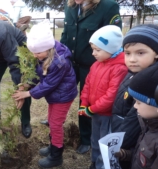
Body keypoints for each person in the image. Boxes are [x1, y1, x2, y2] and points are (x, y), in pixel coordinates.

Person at [12, 20, 77, 168]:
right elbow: (39, 75)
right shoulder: (44, 55)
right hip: (56, 95)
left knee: (55, 124)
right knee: (51, 120)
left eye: (38, 52)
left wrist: (28, 93)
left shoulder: (59, 62)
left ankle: (56, 155)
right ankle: (53, 144)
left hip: (63, 96)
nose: (35, 55)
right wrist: (28, 83)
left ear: (48, 47)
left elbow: (49, 84)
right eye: (33, 52)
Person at [60, 0, 122, 154]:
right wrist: (61, 55)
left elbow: (113, 38)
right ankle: (55, 123)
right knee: (61, 93)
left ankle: (87, 138)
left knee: (87, 98)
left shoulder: (108, 7)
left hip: (93, 65)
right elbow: (66, 34)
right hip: (71, 63)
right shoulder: (71, 6)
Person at [77, 25, 127, 169]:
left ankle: (102, 164)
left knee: (104, 141)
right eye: (93, 49)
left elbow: (111, 96)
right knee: (95, 139)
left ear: (111, 48)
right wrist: (84, 103)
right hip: (95, 112)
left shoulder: (119, 68)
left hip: (107, 114)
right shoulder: (96, 65)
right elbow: (87, 85)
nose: (93, 53)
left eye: (97, 50)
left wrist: (92, 109)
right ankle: (95, 161)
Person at [110, 24, 158, 169]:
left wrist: (120, 143)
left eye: (140, 53)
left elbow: (134, 121)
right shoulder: (130, 74)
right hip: (126, 142)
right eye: (127, 53)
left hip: (133, 144)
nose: (132, 59)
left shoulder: (150, 86)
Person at [114, 62, 158, 169]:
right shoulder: (148, 124)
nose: (135, 107)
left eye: (138, 102)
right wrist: (125, 154)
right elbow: (143, 155)